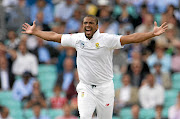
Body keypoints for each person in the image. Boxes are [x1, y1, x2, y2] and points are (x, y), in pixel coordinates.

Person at [22, 15, 168, 119]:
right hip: (85, 87)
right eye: (85, 23)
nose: (87, 25)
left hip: (105, 88)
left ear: (97, 26)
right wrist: (35, 32)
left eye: (91, 23)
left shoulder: (107, 39)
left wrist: (152, 34)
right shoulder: (77, 39)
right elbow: (54, 36)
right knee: (85, 116)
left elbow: (131, 38)